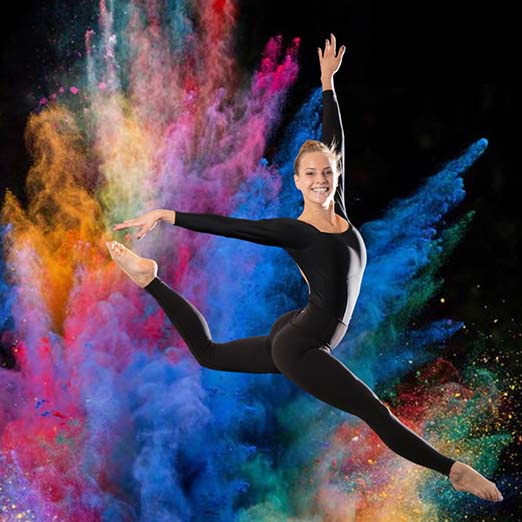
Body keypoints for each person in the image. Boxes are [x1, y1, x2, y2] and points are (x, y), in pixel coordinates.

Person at [106, 33, 503, 503]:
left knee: (211, 354)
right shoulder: (295, 231)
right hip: (301, 345)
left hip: (296, 331)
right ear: (297, 182)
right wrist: (168, 216)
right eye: (309, 174)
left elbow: (335, 142)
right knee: (372, 410)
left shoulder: (341, 214)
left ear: (334, 177)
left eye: (326, 173)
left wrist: (328, 85)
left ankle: (149, 278)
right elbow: (234, 227)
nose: (319, 179)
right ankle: (452, 470)